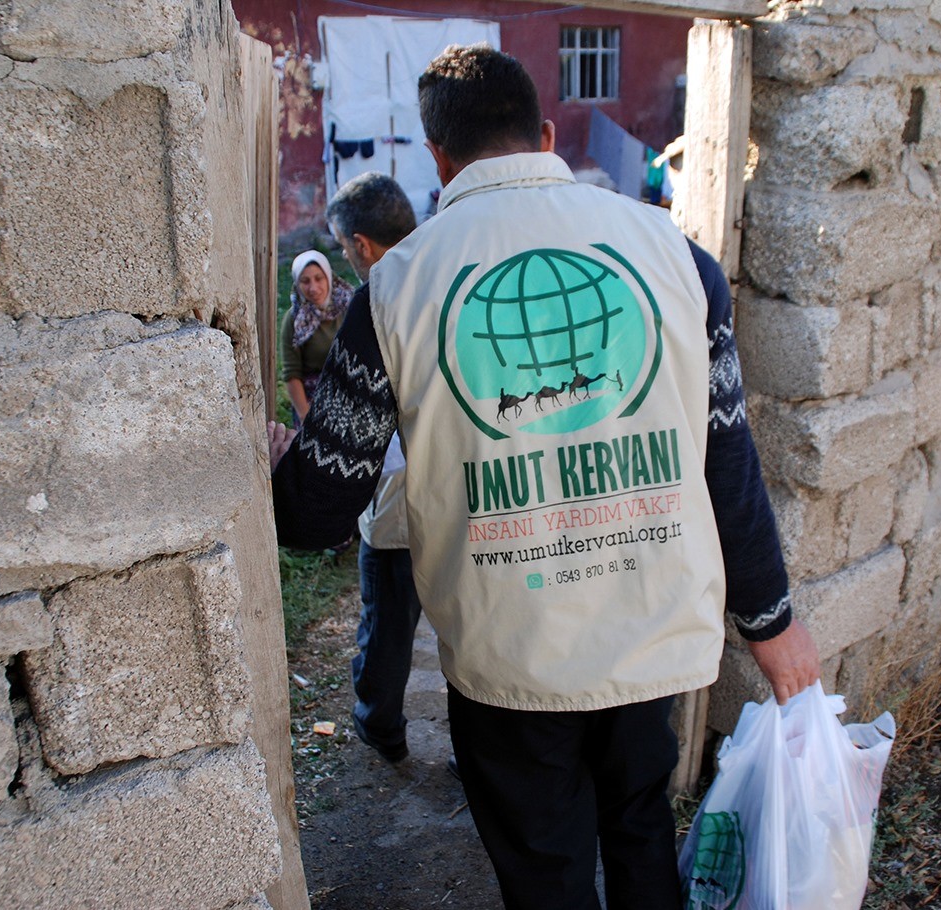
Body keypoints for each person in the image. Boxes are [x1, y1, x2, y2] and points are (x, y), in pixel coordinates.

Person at [270, 44, 820, 910]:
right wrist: (771, 621)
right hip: (649, 645)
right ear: (548, 134)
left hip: (511, 660)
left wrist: (274, 464)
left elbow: (318, 507)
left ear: (439, 158)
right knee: (642, 837)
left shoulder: (396, 289)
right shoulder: (676, 257)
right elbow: (729, 460)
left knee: (546, 872)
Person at [324, 172, 422, 764]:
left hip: (394, 490)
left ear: (361, 245)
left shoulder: (377, 297)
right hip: (465, 485)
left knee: (386, 617)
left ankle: (380, 724)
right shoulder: (447, 273)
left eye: (341, 248)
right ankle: (477, 750)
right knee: (469, 625)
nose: (344, 258)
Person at [280, 249, 353, 421]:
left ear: (329, 277)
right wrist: (307, 418)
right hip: (313, 403)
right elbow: (292, 374)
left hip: (351, 397)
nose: (313, 288)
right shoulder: (294, 320)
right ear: (297, 284)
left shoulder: (349, 308)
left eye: (319, 278)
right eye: (305, 281)